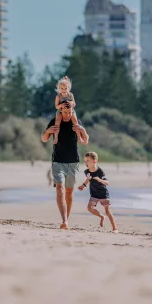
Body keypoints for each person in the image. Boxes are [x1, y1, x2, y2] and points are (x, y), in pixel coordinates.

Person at [41, 99, 89, 230]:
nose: (67, 115)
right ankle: (64, 221)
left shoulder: (76, 122)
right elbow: (44, 139)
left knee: (69, 193)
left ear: (72, 111)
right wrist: (48, 131)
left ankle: (66, 219)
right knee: (60, 190)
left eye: (69, 112)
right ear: (60, 110)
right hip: (57, 161)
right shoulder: (55, 122)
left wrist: (82, 130)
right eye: (65, 112)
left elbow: (85, 141)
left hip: (73, 162)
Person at [79, 152, 118, 233]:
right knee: (90, 208)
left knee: (107, 211)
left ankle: (115, 228)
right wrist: (83, 185)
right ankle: (101, 217)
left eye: (88, 161)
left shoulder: (100, 171)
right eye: (85, 161)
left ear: (94, 161)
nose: (86, 163)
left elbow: (107, 183)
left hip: (103, 194)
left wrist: (99, 180)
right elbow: (88, 179)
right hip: (94, 194)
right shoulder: (86, 171)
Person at [52, 76, 80, 145]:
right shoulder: (58, 96)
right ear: (59, 88)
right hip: (60, 111)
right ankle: (56, 137)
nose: (64, 90)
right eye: (62, 88)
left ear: (69, 88)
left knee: (76, 122)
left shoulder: (70, 95)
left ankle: (79, 136)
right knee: (57, 123)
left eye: (65, 88)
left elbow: (74, 103)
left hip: (71, 111)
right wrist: (60, 106)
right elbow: (56, 106)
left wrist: (72, 103)